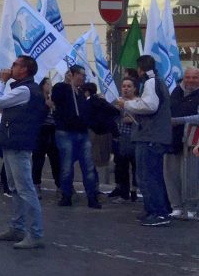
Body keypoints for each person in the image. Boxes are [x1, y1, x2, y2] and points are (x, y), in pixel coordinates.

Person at [0, 55, 47, 249]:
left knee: (25, 189)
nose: (10, 67)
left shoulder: (24, 90)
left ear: (24, 70)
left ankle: (35, 233)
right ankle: (17, 227)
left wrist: (1, 83)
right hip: (14, 141)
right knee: (15, 188)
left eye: (15, 65)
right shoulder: (25, 89)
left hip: (18, 143)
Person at [117, 55, 172, 227]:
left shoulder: (151, 82)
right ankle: (153, 209)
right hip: (152, 136)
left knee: (149, 176)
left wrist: (127, 105)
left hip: (150, 136)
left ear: (140, 69)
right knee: (147, 175)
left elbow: (150, 106)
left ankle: (159, 212)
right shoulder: (157, 82)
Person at [51, 65, 100, 208]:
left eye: (84, 75)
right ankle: (66, 195)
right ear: (72, 75)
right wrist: (68, 85)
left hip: (82, 133)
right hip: (65, 133)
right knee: (67, 167)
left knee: (89, 166)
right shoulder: (61, 88)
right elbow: (56, 98)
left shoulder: (80, 94)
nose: (83, 78)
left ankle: (92, 196)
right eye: (80, 74)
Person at [167, 66, 199, 219]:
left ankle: (192, 207)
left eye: (195, 77)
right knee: (171, 174)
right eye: (188, 77)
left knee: (191, 176)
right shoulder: (175, 92)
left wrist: (178, 121)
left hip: (193, 142)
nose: (191, 80)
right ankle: (176, 206)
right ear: (184, 77)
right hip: (172, 139)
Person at [109, 77, 140, 203]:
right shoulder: (117, 102)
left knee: (136, 167)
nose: (126, 88)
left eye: (129, 86)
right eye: (124, 86)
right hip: (121, 138)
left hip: (135, 138)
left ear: (134, 89)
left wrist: (132, 120)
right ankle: (124, 193)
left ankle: (134, 190)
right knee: (121, 167)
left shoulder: (139, 102)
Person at [31, 78, 60, 196]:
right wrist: (46, 106)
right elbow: (36, 116)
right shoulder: (38, 99)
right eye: (48, 84)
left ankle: (59, 185)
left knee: (56, 160)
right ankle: (36, 184)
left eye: (51, 84)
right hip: (41, 131)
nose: (50, 86)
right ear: (42, 85)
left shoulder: (52, 99)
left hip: (52, 130)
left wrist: (54, 108)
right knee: (38, 159)